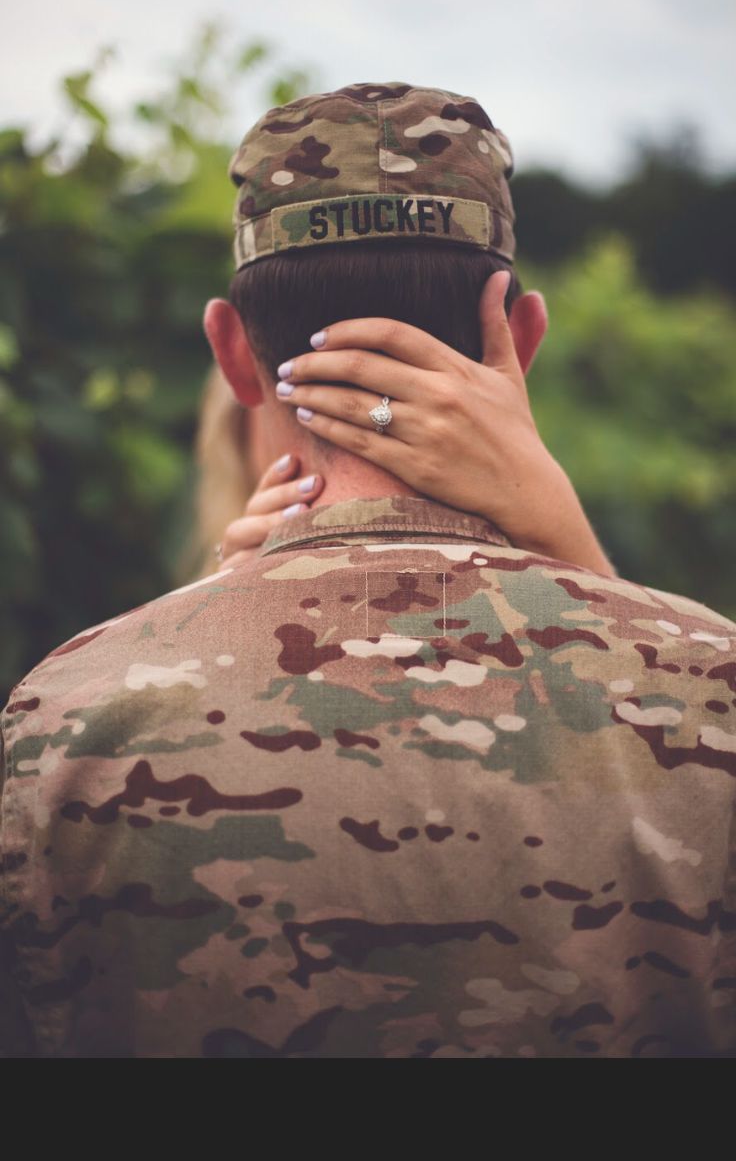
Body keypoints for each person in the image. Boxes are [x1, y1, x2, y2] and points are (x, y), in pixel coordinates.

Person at [2, 82, 734, 1059]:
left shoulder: (55, 724)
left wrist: (194, 620)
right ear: (520, 338)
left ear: (233, 353)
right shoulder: (709, 692)